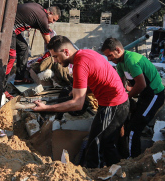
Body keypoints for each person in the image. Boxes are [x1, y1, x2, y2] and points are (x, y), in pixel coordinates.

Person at [33, 36, 129, 168]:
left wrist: (46, 108)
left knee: (98, 146)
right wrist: (80, 90)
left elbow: (77, 104)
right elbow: (98, 80)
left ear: (66, 52)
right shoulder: (86, 53)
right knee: (102, 143)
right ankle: (112, 171)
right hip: (114, 103)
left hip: (114, 105)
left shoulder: (79, 64)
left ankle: (100, 175)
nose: (54, 61)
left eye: (55, 56)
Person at [101, 37, 165, 158]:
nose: (109, 59)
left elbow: (141, 85)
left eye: (110, 55)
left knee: (133, 129)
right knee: (129, 125)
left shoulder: (131, 60)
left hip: (155, 95)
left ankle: (132, 160)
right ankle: (127, 155)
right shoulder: (120, 63)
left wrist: (126, 97)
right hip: (145, 95)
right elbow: (120, 83)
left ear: (118, 50)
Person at [8, 3, 60, 81]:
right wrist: (56, 54)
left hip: (13, 29)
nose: (53, 22)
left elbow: (33, 20)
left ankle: (19, 79)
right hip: (8, 29)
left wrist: (44, 28)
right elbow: (48, 41)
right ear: (50, 13)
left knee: (24, 48)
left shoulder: (39, 8)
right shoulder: (43, 18)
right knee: (12, 56)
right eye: (53, 20)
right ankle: (2, 83)